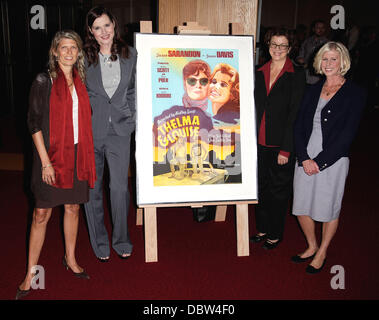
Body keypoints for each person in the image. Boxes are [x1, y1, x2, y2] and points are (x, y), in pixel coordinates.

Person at [16, 30, 96, 300]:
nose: (69, 52)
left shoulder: (81, 80)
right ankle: (31, 273)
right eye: (64, 47)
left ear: (79, 52)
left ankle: (70, 258)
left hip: (77, 155)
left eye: (74, 47)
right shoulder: (44, 81)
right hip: (50, 156)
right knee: (42, 214)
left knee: (73, 207)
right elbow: (34, 124)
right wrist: (45, 163)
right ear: (54, 51)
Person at [291, 41, 366, 273]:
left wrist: (321, 161)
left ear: (343, 62)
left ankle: (322, 251)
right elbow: (299, 126)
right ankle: (312, 245)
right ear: (319, 62)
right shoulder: (312, 89)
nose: (329, 63)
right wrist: (304, 157)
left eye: (334, 59)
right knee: (301, 205)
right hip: (306, 154)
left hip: (333, 157)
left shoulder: (355, 93)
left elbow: (348, 134)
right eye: (325, 58)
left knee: (328, 207)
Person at [83, 6, 137, 262]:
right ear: (91, 32)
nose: (103, 32)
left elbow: (133, 90)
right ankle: (99, 242)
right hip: (90, 132)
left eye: (106, 25)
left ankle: (122, 239)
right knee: (92, 189)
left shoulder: (131, 54)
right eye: (97, 28)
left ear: (114, 25)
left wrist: (132, 117)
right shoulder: (84, 58)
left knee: (118, 189)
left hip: (119, 130)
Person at [250, 27, 306, 250]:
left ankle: (275, 233)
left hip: (280, 145)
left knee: (278, 191)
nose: (278, 49)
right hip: (258, 142)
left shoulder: (297, 75)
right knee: (260, 188)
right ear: (268, 45)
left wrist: (286, 149)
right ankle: (262, 228)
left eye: (283, 45)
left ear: (290, 48)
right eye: (274, 44)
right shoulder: (258, 70)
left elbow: (295, 114)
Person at [297, 20, 328, 84]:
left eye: (322, 28)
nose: (320, 30)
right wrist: (300, 59)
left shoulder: (328, 43)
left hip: (319, 75)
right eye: (318, 28)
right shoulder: (307, 41)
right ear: (313, 29)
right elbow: (301, 55)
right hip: (305, 73)